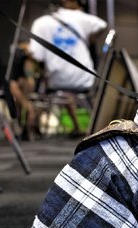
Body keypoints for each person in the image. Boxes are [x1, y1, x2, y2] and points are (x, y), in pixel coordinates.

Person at [28, 0, 107, 135]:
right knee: (72, 92)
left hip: (56, 80)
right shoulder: (83, 18)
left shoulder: (40, 23)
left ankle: (33, 121)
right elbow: (102, 25)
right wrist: (89, 39)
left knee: (55, 88)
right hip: (85, 80)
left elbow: (36, 56)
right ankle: (97, 127)